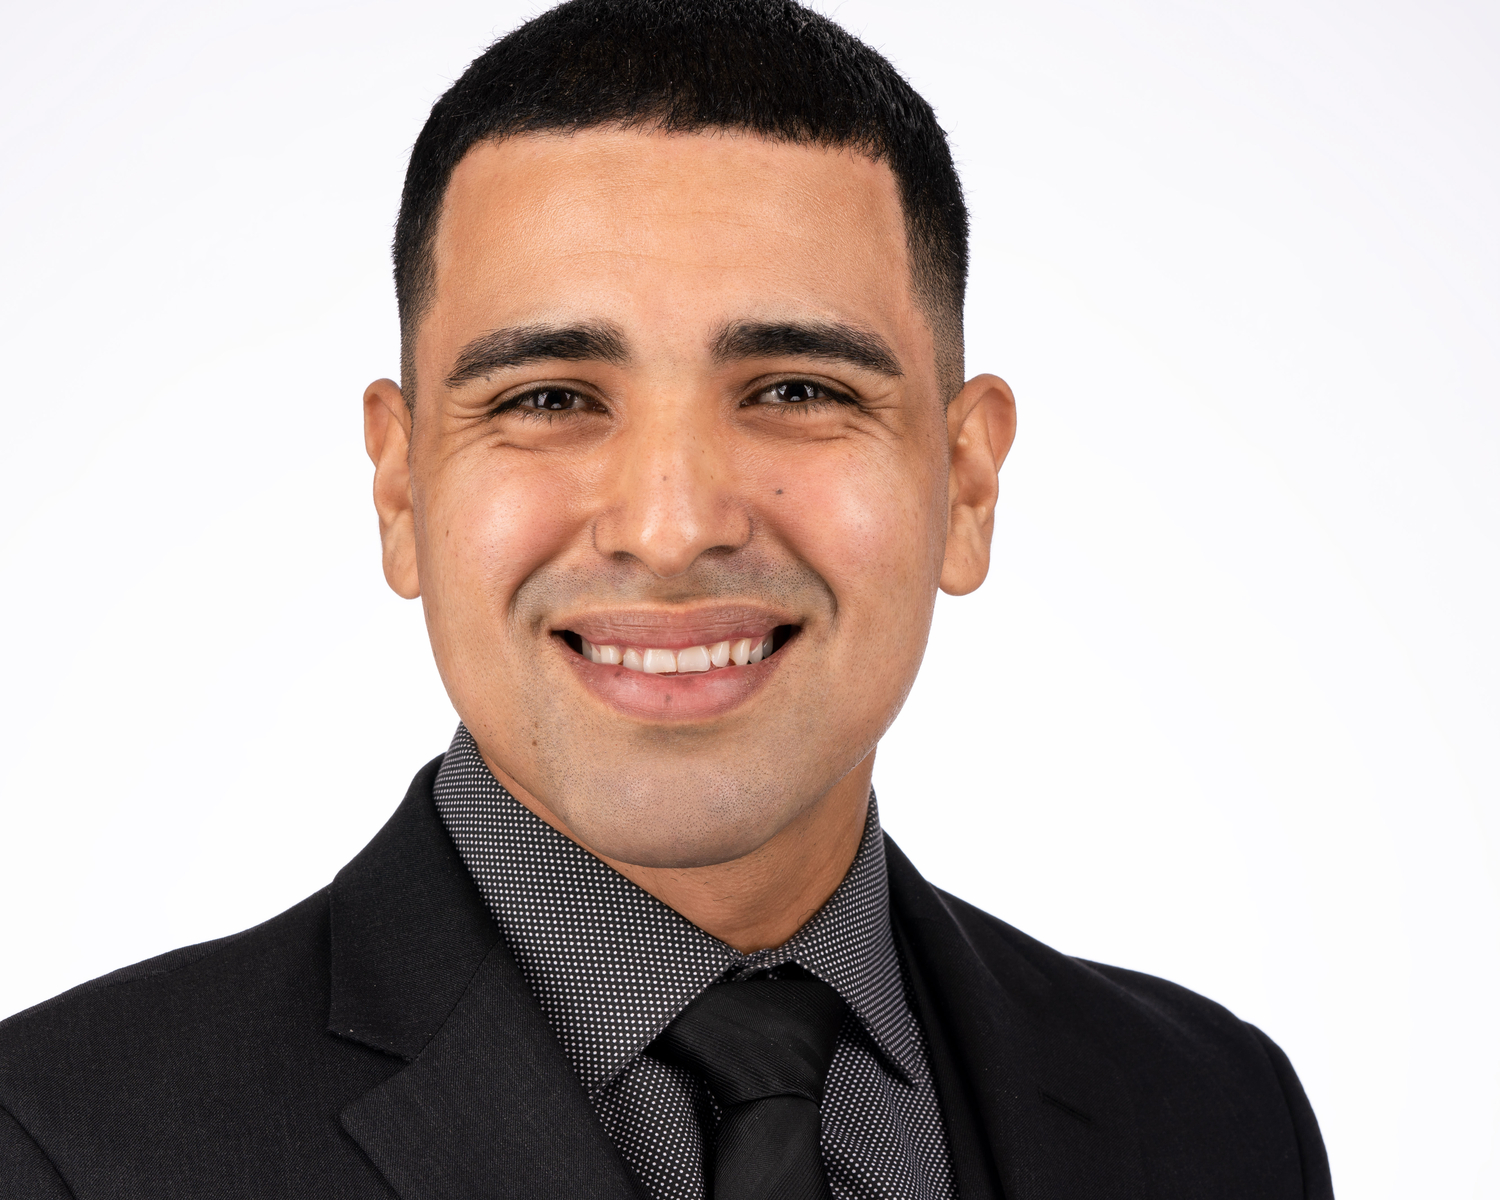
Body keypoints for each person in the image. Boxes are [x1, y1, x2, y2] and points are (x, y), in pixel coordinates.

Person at [0, 2, 1333, 1196]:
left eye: (798, 390)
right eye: (549, 398)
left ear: (966, 483)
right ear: (402, 492)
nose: (673, 526)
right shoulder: (56, 1145)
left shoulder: (1216, 1118)